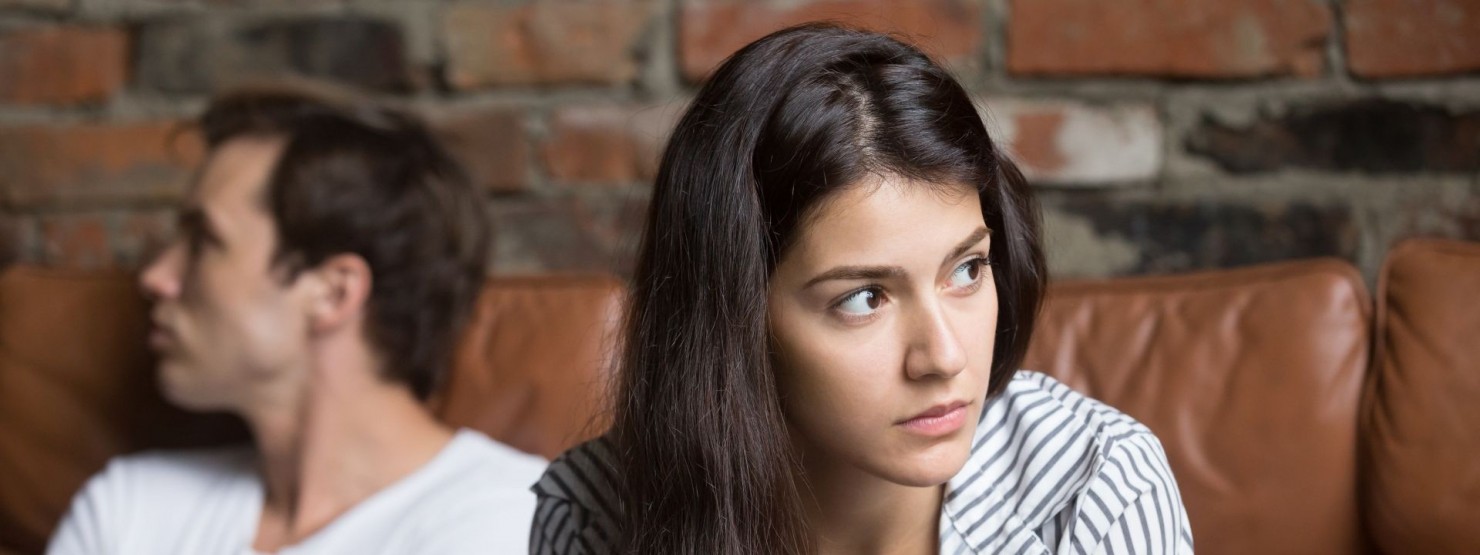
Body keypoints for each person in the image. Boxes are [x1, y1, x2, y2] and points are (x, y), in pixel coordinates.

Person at [530, 24, 1193, 554]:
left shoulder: (1094, 490)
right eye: (864, 298)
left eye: (966, 270)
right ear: (735, 319)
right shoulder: (593, 516)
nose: (944, 357)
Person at [47, 84, 546, 554]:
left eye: (204, 242)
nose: (157, 277)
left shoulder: (518, 521)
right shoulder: (131, 508)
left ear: (331, 293)